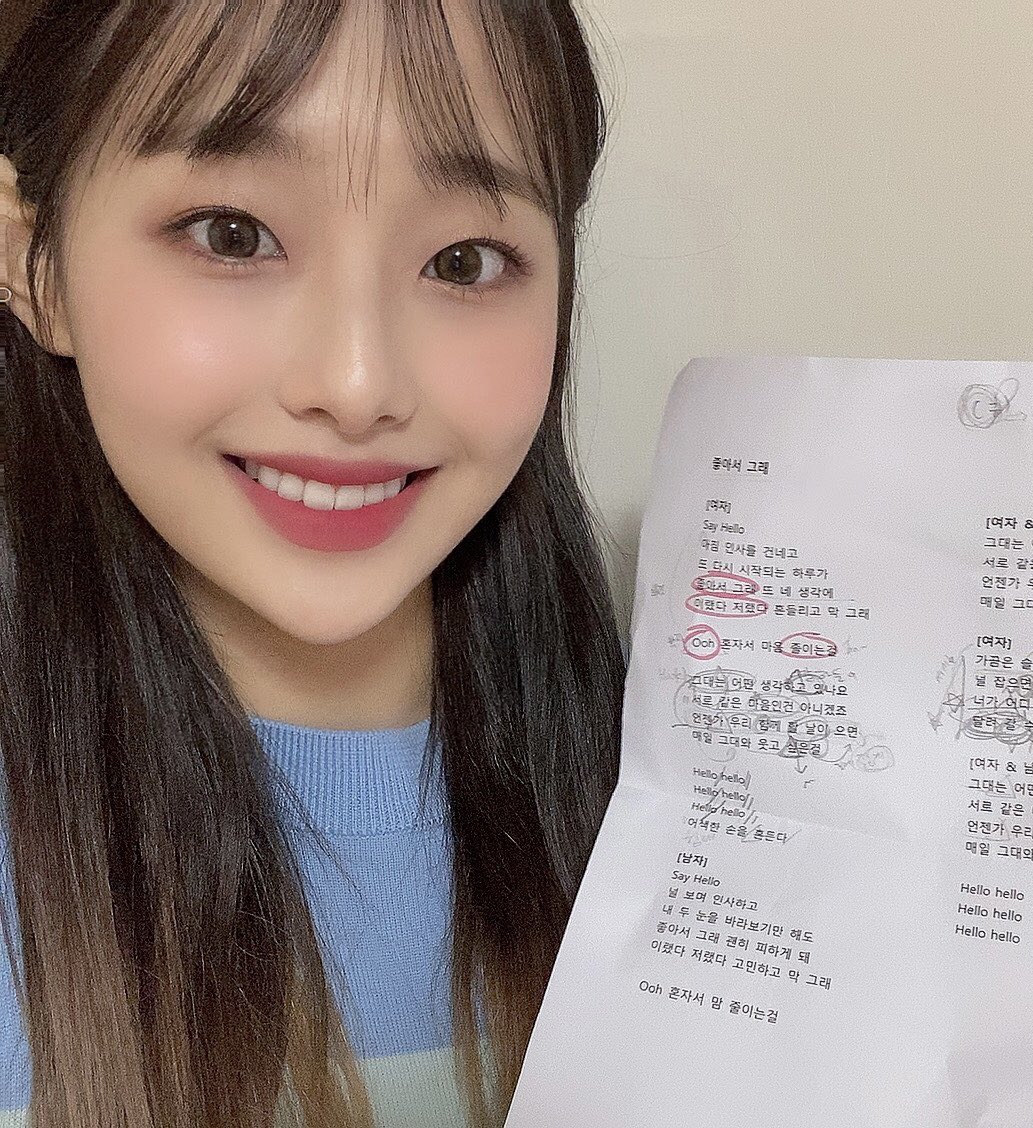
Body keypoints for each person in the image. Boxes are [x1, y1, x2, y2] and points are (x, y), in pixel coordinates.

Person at [0, 1, 625, 1125]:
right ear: (28, 263)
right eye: (231, 234)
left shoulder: (693, 808)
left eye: (465, 260)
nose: (356, 382)